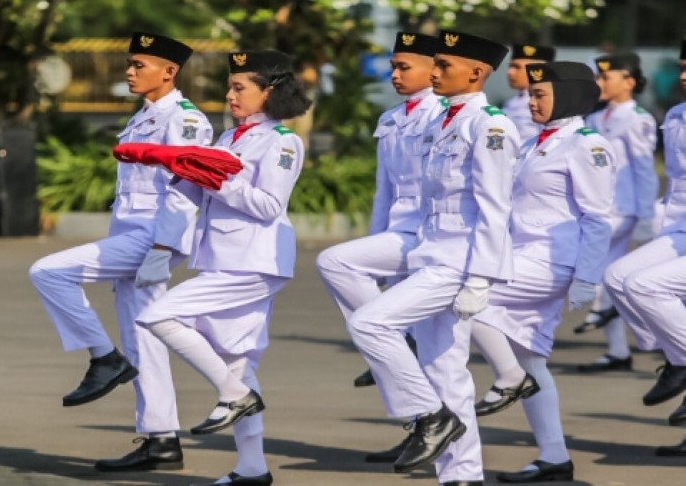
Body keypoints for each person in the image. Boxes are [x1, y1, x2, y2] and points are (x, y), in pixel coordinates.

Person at [29, 32, 213, 471]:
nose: (129, 71)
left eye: (138, 65)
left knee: (48, 271)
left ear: (169, 71)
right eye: (129, 64)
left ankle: (102, 357)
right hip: (130, 236)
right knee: (143, 336)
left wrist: (162, 248)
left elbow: (187, 189)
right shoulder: (142, 117)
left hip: (150, 238)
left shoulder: (186, 120)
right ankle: (161, 438)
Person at [347, 30, 519, 485]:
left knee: (369, 323)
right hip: (428, 252)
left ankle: (427, 415)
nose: (435, 72)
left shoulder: (491, 127)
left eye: (444, 65)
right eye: (436, 63)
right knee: (446, 372)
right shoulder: (439, 121)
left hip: (458, 261)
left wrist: (481, 278)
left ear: (477, 72)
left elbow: (495, 207)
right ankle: (462, 476)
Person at [131, 49, 310, 486]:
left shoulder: (283, 141)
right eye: (229, 86)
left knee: (158, 315)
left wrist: (219, 180)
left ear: (270, 92)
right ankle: (252, 469)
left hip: (254, 263)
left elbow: (268, 205)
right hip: (222, 260)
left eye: (239, 87)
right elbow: (196, 194)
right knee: (237, 361)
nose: (229, 95)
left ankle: (235, 397)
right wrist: (175, 174)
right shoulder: (230, 140)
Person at [471, 61, 614, 483]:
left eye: (540, 95)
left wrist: (589, 277)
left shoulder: (587, 145)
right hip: (521, 255)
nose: (531, 102)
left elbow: (598, 217)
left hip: (553, 259)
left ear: (567, 96)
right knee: (530, 356)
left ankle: (508, 379)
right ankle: (554, 457)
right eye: (531, 95)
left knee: (468, 301)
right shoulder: (538, 142)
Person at [316, 31, 444, 395]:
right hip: (397, 233)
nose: (395, 75)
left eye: (404, 67)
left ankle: (398, 342)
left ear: (434, 68)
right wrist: (375, 240)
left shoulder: (445, 115)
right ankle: (400, 352)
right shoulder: (390, 118)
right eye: (393, 67)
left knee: (336, 262)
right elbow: (383, 191)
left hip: (429, 235)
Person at [603, 39, 686, 457]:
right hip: (679, 229)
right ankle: (677, 357)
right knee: (617, 276)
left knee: (648, 287)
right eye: (683, 66)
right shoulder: (675, 115)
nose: (684, 76)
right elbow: (674, 184)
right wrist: (657, 223)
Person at [575, 53, 659, 373]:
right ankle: (618, 350)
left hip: (624, 210)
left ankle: (606, 308)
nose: (599, 83)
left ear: (630, 81)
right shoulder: (596, 119)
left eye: (606, 77)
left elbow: (645, 170)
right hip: (600, 206)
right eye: (597, 76)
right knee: (606, 272)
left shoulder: (638, 119)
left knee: (592, 263)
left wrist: (646, 216)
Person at [503, 43, 556, 142]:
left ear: (537, 70)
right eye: (510, 66)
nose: (510, 72)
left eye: (517, 67)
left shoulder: (548, 102)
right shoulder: (511, 102)